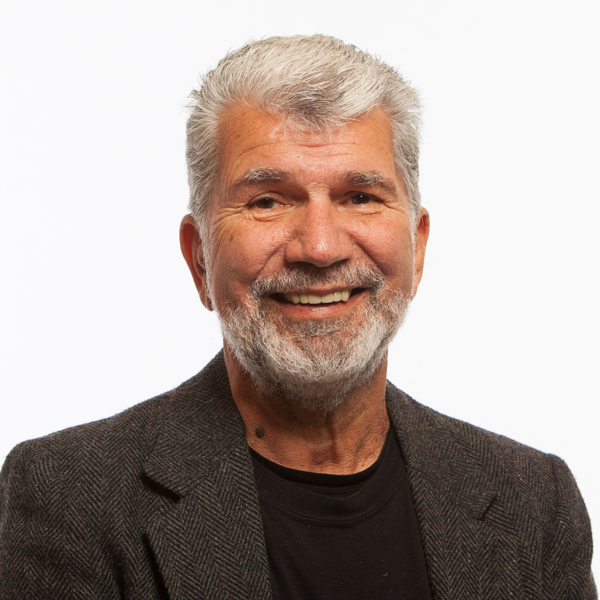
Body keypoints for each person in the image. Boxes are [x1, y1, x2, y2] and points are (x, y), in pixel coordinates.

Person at [0, 34, 595, 600]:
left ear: (417, 248)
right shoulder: (67, 496)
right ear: (200, 257)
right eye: (268, 201)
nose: (320, 247)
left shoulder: (534, 503)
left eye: (360, 197)